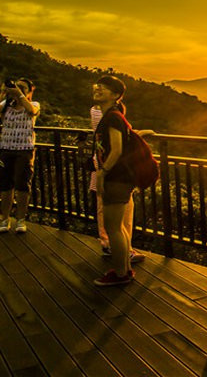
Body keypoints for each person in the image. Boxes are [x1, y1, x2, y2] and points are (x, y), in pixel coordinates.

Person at [91, 75, 138, 286]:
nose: (98, 87)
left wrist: (103, 172)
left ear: (116, 95)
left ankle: (119, 274)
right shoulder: (113, 115)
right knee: (119, 227)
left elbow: (117, 149)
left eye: (105, 87)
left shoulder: (112, 117)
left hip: (116, 178)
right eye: (98, 84)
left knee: (114, 228)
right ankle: (125, 270)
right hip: (121, 178)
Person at [89, 101, 146, 264]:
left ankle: (107, 244)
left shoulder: (95, 111)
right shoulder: (109, 115)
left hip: (100, 164)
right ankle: (123, 252)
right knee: (123, 213)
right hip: (114, 170)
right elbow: (119, 144)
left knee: (103, 208)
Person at [0, 78, 40, 234]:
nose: (18, 89)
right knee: (5, 185)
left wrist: (20, 95)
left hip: (25, 149)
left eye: (23, 87)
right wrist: (3, 93)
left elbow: (32, 111)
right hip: (5, 148)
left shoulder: (34, 104)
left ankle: (21, 220)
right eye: (17, 86)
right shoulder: (6, 106)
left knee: (23, 185)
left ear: (31, 91)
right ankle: (5, 219)